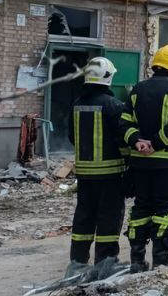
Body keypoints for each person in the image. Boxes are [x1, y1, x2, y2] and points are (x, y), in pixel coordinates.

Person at [119, 45, 168, 272]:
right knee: (166, 208)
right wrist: (156, 143)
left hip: (140, 162)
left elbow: (124, 122)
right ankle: (161, 259)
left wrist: (138, 142)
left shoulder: (137, 90)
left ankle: (137, 260)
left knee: (141, 207)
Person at [66, 57, 127, 274]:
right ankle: (106, 261)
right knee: (108, 218)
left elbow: (72, 137)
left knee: (84, 216)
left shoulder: (76, 105)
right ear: (108, 77)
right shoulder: (113, 105)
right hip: (110, 175)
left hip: (84, 175)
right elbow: (123, 139)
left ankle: (77, 261)